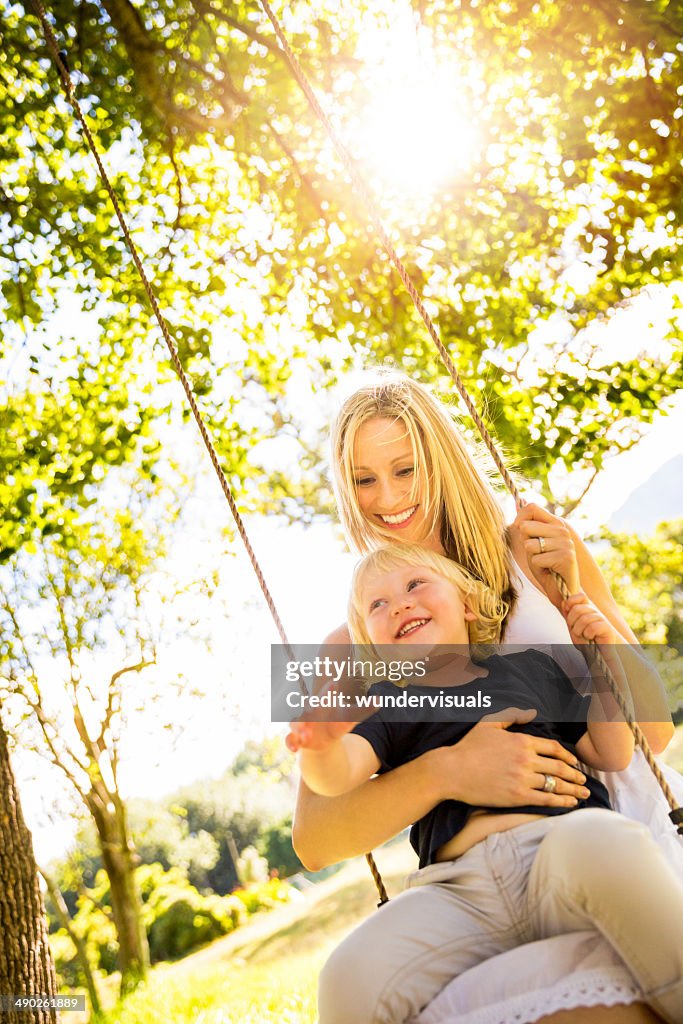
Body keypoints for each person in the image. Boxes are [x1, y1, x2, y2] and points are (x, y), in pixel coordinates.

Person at [291, 373, 682, 1024]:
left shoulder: (537, 552)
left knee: (602, 863)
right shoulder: (354, 641)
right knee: (349, 978)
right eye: (363, 480)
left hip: (600, 832)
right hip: (459, 885)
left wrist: (595, 631)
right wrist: (447, 768)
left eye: (404, 469)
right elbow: (315, 839)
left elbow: (648, 731)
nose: (386, 500)